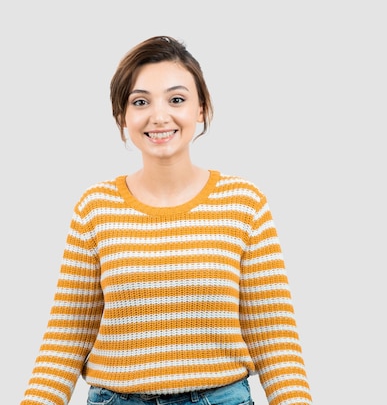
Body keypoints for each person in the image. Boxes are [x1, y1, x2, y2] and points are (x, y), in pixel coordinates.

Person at [20, 35, 312, 405]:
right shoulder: (95, 208)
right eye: (140, 102)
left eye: (176, 99)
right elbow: (67, 335)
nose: (159, 116)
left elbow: (275, 336)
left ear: (201, 109)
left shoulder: (244, 204)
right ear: (122, 117)